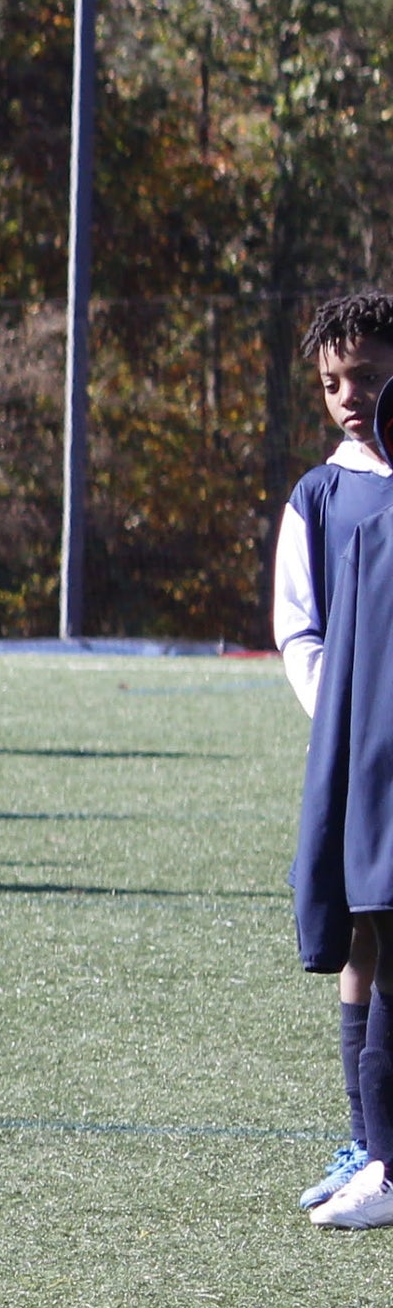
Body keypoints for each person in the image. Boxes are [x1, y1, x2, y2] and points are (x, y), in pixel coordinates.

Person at [278, 291, 393, 1222]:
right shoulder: (320, 494)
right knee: (364, 929)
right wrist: (341, 716)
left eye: (366, 374)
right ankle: (370, 1142)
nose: (349, 395)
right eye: (331, 381)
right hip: (358, 754)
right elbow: (298, 629)